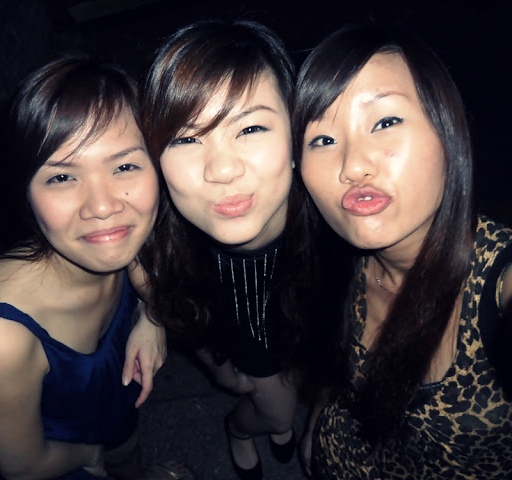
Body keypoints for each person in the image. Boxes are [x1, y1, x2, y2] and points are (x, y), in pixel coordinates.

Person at [292, 24, 512, 480]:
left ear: (447, 131)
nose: (352, 165)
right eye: (323, 140)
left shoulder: (504, 282)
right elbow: (337, 371)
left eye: (385, 122)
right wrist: (319, 423)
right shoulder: (339, 252)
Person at [0, 54, 191, 480]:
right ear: (24, 195)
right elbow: (23, 466)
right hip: (46, 455)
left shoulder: (134, 241)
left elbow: (153, 288)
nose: (103, 207)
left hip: (108, 397)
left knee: (125, 442)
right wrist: (89, 455)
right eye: (61, 177)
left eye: (125, 166)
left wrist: (151, 318)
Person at [140, 20, 317, 480]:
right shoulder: (161, 240)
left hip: (300, 331)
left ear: (297, 134)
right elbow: (155, 284)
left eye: (250, 127)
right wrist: (152, 318)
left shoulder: (335, 219)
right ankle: (240, 429)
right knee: (277, 413)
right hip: (243, 339)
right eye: (186, 138)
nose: (220, 169)